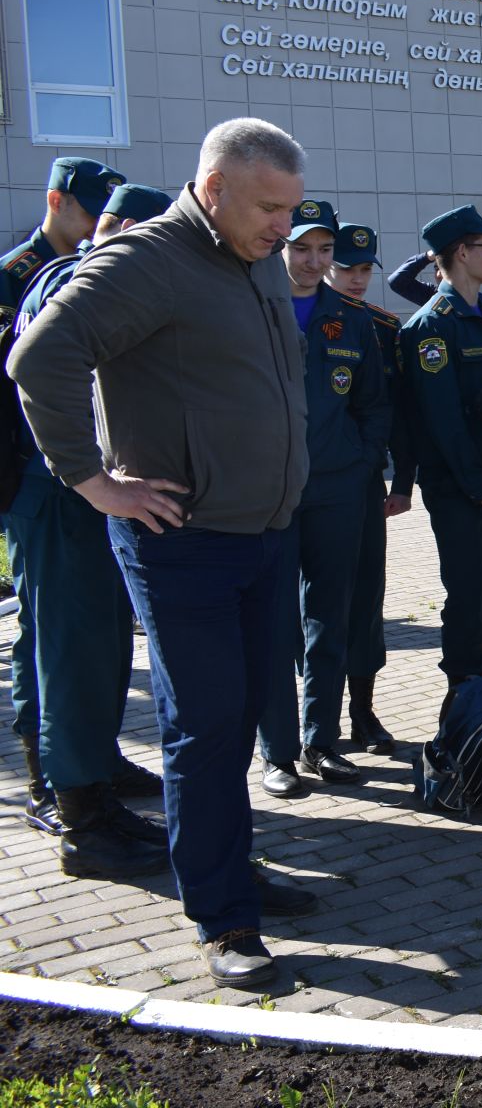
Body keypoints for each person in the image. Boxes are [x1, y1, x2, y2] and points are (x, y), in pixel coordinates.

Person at [10, 118, 318, 988]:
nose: (283, 230)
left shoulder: (251, 252)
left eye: (291, 211)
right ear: (213, 188)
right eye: (269, 208)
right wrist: (93, 479)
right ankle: (223, 920)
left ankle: (233, 870)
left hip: (264, 531)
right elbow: (40, 359)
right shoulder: (145, 260)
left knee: (247, 710)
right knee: (205, 724)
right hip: (184, 543)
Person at [6, 192, 163, 879]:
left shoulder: (67, 273)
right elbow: (47, 378)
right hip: (67, 501)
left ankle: (92, 778)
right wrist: (93, 479)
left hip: (68, 499)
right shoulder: (82, 281)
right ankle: (84, 821)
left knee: (85, 647)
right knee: (72, 651)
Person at [4, 156, 125, 823]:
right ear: (57, 202)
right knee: (50, 635)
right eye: (90, 211)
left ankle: (94, 760)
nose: (96, 226)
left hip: (74, 484)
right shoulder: (22, 277)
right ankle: (49, 776)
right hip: (37, 479)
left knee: (96, 631)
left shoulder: (84, 278)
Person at [258, 200, 390, 797]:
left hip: (337, 491)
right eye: (301, 248)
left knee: (328, 618)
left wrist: (358, 462)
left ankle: (322, 741)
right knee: (272, 621)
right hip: (266, 493)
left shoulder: (351, 319)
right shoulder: (253, 304)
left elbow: (372, 404)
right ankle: (277, 755)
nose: (313, 261)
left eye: (324, 251)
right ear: (281, 247)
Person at [398, 206, 482, 693]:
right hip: (460, 484)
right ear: (460, 253)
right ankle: (461, 692)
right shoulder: (431, 327)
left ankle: (480, 675)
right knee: (469, 590)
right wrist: (481, 489)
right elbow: (441, 420)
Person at [327, 224, 406, 754]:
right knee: (315, 611)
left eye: (364, 271)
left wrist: (402, 481)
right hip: (307, 489)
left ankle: (363, 711)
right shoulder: (294, 314)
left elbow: (398, 411)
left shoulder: (381, 327)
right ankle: (319, 721)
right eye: (346, 269)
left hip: (360, 487)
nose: (356, 280)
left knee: (364, 603)